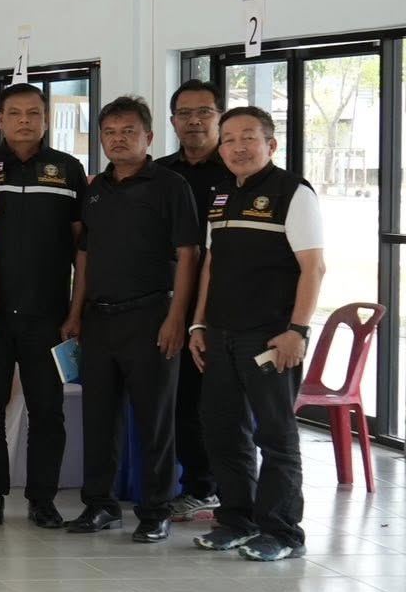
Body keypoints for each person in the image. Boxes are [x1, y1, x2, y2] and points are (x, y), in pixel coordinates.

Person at [190, 107, 326, 562]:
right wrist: (198, 324)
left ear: (270, 144)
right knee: (223, 431)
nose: (238, 147)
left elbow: (314, 267)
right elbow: (211, 264)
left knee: (276, 435)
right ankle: (236, 521)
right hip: (221, 334)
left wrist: (297, 331)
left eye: (248, 137)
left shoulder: (293, 192)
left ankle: (282, 531)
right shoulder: (221, 193)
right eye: (228, 139)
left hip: (270, 338)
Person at [63, 95, 198, 543]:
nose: (118, 140)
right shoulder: (95, 188)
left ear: (149, 137)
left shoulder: (171, 186)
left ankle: (155, 509)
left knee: (154, 420)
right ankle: (100, 505)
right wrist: (75, 313)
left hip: (151, 317)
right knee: (99, 418)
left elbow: (188, 254)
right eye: (110, 133)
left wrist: (176, 318)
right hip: (99, 320)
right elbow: (85, 255)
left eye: (128, 132)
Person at [0, 83, 85, 528]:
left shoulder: (68, 170)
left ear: (46, 119)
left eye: (33, 113)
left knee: (47, 410)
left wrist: (76, 311)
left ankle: (42, 498)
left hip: (48, 314)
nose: (24, 121)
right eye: (14, 113)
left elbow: (83, 249)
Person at [157, 78, 233, 522]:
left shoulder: (238, 171)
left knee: (224, 404)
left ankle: (236, 493)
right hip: (173, 304)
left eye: (204, 112)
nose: (194, 122)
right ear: (172, 122)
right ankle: (200, 487)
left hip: (229, 307)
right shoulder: (161, 174)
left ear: (219, 117)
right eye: (184, 114)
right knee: (183, 401)